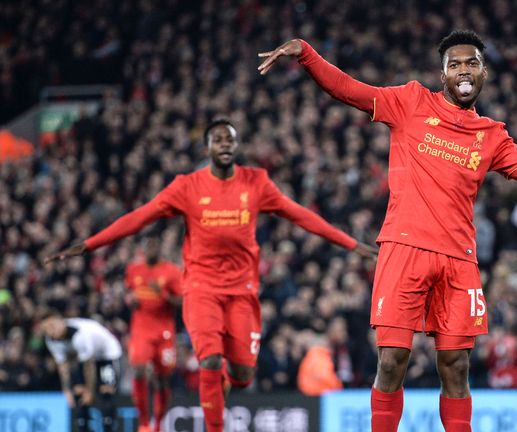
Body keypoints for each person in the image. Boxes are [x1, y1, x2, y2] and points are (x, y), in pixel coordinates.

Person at [259, 30, 517, 431]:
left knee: (456, 367)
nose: (464, 70)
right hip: (404, 250)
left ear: (484, 73)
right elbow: (350, 90)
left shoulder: (492, 135)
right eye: (454, 64)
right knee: (392, 361)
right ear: (443, 75)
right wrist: (307, 55)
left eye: (472, 63)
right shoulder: (411, 102)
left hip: (459, 260)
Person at [46, 119, 377, 432]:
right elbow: (140, 217)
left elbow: (301, 216)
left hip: (243, 291)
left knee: (242, 373)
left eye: (229, 138)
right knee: (209, 360)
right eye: (217, 139)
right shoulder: (187, 187)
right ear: (206, 147)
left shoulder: (256, 183)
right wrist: (89, 245)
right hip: (201, 289)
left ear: (236, 145)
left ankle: (224, 384)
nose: (224, 143)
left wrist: (350, 244)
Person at [124, 236, 183, 432]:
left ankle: (158, 425)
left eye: (153, 245)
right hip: (141, 329)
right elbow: (128, 293)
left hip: (164, 332)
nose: (150, 249)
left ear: (159, 249)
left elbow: (183, 302)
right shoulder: (133, 270)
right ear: (142, 248)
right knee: (139, 368)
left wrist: (164, 295)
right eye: (147, 245)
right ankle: (143, 423)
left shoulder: (172, 272)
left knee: (162, 379)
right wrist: (129, 300)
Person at [40, 312, 122, 432]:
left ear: (61, 322)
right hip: (81, 358)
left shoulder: (80, 334)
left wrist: (90, 390)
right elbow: (63, 366)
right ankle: (82, 428)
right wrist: (67, 389)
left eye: (52, 326)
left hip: (106, 354)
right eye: (46, 329)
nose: (51, 331)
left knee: (106, 391)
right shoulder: (51, 340)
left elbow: (89, 366)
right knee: (79, 392)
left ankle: (108, 428)